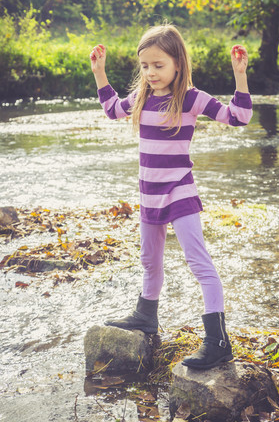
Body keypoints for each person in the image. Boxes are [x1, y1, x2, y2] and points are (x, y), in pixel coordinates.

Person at [90, 24, 252, 370]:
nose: (150, 72)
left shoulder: (192, 98)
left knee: (199, 262)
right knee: (150, 260)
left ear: (178, 63)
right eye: (145, 66)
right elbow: (111, 109)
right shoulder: (141, 98)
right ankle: (146, 317)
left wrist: (240, 76)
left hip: (179, 190)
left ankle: (217, 341)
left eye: (158, 65)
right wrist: (100, 72)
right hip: (148, 193)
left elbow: (239, 117)